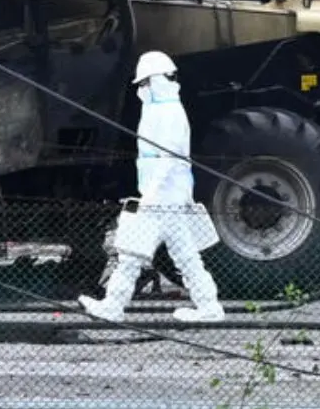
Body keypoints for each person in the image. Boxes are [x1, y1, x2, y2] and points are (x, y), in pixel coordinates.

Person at [78, 50, 225, 323]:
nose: (142, 89)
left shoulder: (169, 112)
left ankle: (114, 305)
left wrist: (151, 194)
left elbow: (167, 157)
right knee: (183, 256)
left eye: (145, 83)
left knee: (132, 253)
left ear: (157, 80)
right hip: (166, 197)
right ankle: (208, 306)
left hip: (161, 197)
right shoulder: (159, 110)